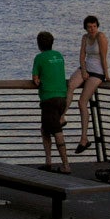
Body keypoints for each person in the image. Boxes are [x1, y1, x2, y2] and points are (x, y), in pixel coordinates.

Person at [67, 15, 110, 154]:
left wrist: (107, 76)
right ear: (85, 27)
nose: (92, 29)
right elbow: (81, 56)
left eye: (94, 26)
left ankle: (84, 139)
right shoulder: (85, 38)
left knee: (82, 102)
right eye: (89, 27)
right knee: (70, 86)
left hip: (97, 72)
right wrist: (84, 71)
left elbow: (103, 57)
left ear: (97, 26)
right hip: (86, 68)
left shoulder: (101, 37)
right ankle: (62, 116)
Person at [32, 31, 70, 173]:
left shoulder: (39, 58)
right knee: (45, 129)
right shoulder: (59, 56)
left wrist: (38, 80)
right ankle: (48, 161)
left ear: (39, 44)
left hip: (49, 99)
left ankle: (66, 165)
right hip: (62, 97)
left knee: (56, 131)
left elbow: (36, 79)